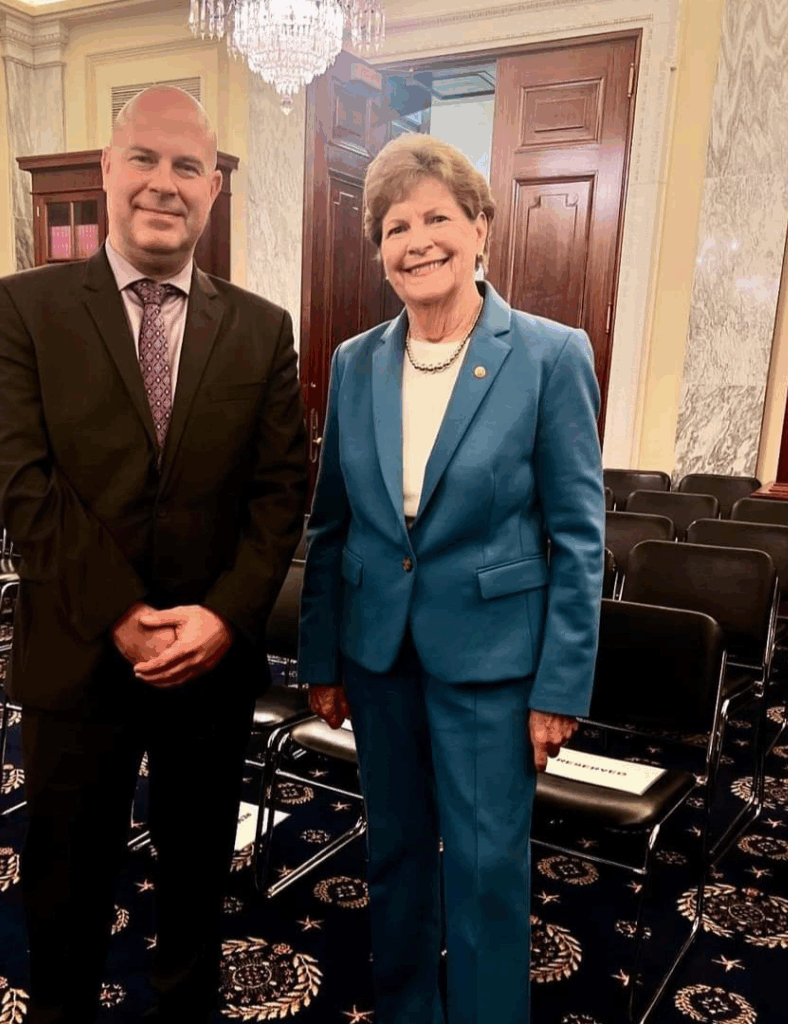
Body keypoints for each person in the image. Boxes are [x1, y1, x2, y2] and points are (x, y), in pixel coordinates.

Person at [0, 87, 307, 1024]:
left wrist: (223, 616)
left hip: (210, 658)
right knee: (66, 877)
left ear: (215, 190)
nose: (166, 184)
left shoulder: (260, 327)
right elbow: (19, 481)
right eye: (147, 160)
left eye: (189, 167)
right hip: (77, 650)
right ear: (108, 170)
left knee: (199, 874)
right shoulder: (25, 306)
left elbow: (281, 492)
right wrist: (123, 613)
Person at [299, 133, 604, 1024]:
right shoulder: (356, 362)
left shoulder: (550, 354)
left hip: (493, 667)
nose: (418, 240)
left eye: (438, 217)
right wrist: (324, 659)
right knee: (393, 855)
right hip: (378, 658)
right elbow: (333, 527)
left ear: (479, 229)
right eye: (397, 225)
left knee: (483, 868)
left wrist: (560, 685)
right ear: (380, 249)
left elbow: (581, 537)